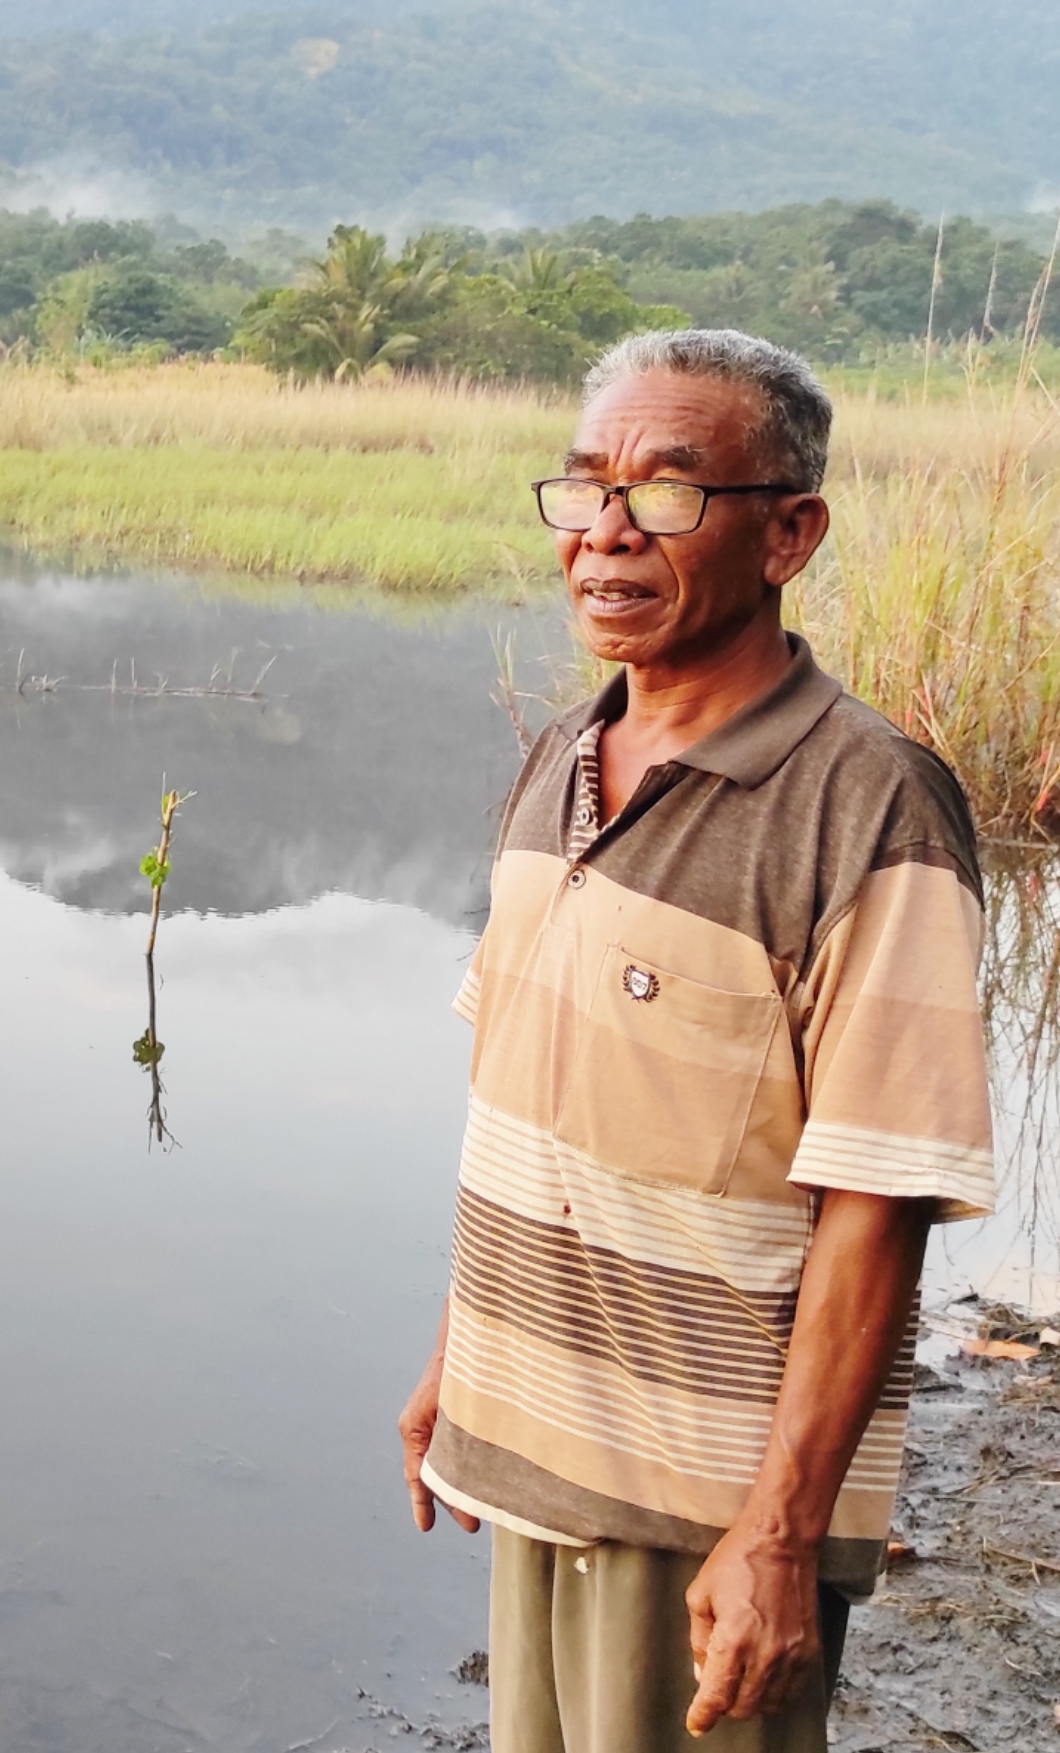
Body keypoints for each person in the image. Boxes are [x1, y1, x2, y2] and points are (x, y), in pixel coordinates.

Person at [397, 329, 995, 1749]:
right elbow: (527, 1103)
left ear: (790, 533)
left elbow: (879, 1197)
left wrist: (780, 1534)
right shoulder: (561, 761)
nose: (606, 531)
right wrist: (457, 1361)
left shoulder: (869, 807)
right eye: (586, 485)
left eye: (666, 492)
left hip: (702, 1509)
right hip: (536, 1455)